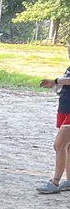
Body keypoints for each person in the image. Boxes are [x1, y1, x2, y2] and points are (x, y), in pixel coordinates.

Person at [36, 52, 70, 193]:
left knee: (59, 145)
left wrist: (56, 80)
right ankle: (68, 181)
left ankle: (55, 182)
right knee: (68, 147)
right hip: (64, 108)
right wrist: (54, 85)